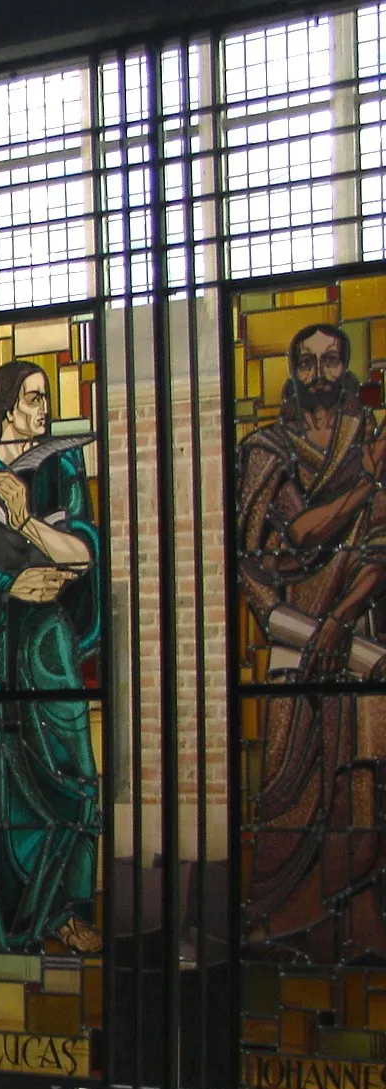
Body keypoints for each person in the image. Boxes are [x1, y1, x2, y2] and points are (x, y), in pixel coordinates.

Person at [237, 321, 386, 962]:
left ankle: (354, 917)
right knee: (288, 775)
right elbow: (298, 534)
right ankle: (286, 922)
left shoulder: (368, 441)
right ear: (293, 374)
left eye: (330, 361)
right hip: (296, 624)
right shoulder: (269, 448)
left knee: (360, 775)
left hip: (354, 627)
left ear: (346, 369)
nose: (319, 373)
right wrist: (368, 483)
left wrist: (346, 617)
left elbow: (381, 544)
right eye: (307, 363)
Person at [0, 360, 102, 955]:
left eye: (46, 399)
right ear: (7, 406)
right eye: (35, 398)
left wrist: (25, 521)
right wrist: (6, 584)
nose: (45, 410)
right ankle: (9, 925)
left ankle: (70, 908)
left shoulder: (63, 464)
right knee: (0, 782)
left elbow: (84, 551)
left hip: (48, 643)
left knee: (74, 771)